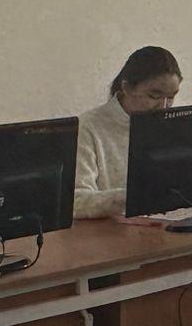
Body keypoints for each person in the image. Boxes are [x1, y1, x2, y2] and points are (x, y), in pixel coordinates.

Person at [75, 47, 181, 219]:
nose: (163, 107)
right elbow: (76, 200)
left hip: (167, 226)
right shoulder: (88, 127)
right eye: (154, 96)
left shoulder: (174, 125)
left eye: (171, 97)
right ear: (127, 87)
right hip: (112, 231)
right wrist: (130, 197)